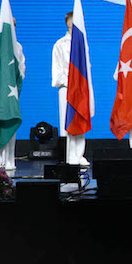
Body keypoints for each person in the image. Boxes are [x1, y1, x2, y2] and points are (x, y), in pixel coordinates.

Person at [0, 18, 26, 169]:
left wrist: (16, 77)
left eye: (14, 25)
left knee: (11, 121)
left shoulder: (18, 46)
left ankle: (9, 159)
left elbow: (21, 67)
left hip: (10, 91)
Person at [51, 11, 88, 166]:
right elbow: (57, 70)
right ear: (69, 23)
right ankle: (69, 154)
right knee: (67, 121)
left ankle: (79, 154)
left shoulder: (83, 42)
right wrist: (70, 82)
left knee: (81, 118)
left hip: (81, 88)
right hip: (67, 87)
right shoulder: (60, 44)